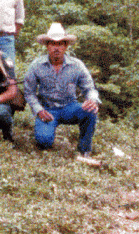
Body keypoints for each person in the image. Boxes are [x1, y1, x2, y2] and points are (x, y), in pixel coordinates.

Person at [24, 23, 100, 156]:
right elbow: (29, 92)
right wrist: (38, 110)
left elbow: (90, 88)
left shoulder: (77, 65)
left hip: (69, 107)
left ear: (65, 46)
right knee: (44, 141)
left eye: (60, 44)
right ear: (47, 46)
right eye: (53, 44)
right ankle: (44, 136)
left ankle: (84, 149)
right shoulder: (36, 65)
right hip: (47, 110)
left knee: (90, 111)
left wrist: (92, 100)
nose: (56, 48)